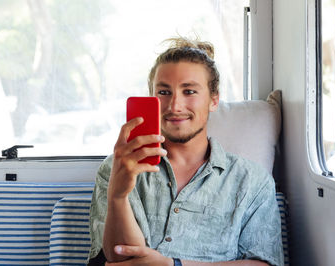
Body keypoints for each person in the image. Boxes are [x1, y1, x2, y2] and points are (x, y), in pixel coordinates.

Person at [87, 37, 284, 266]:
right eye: (163, 92)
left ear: (213, 100)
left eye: (189, 91)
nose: (174, 106)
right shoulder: (117, 167)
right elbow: (119, 259)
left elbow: (264, 263)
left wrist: (174, 265)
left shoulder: (252, 181)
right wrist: (118, 196)